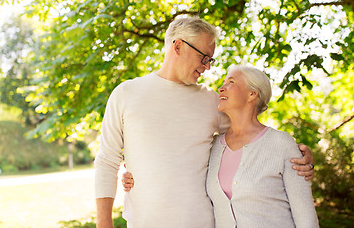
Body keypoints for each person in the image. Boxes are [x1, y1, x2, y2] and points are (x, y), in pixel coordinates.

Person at [95, 16, 315, 228]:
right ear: (178, 46)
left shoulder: (211, 101)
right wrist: (104, 223)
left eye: (211, 59)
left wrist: (298, 157)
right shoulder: (127, 93)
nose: (208, 67)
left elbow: (252, 137)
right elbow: (107, 160)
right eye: (204, 57)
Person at [206, 65, 319, 227]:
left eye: (231, 82)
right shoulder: (213, 147)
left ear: (252, 94)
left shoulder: (281, 144)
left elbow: (306, 218)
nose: (221, 88)